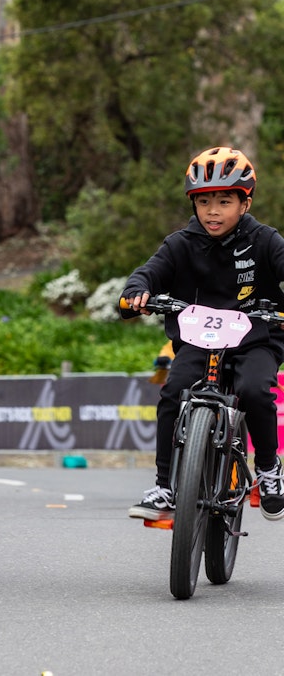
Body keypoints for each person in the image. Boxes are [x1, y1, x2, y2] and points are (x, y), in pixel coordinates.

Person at [120, 146, 284, 523]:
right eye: (204, 201)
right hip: (199, 341)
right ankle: (165, 486)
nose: (213, 211)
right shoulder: (180, 243)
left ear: (245, 203)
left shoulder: (264, 240)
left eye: (225, 201)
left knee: (256, 389)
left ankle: (270, 469)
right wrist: (136, 293)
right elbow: (148, 273)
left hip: (255, 338)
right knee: (173, 392)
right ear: (193, 204)